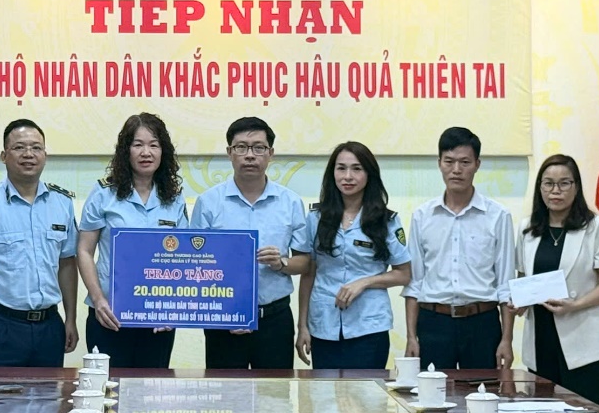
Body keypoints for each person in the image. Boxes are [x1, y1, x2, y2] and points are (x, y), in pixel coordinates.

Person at [0, 119, 80, 367]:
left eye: (36, 148)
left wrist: (70, 319)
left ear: (45, 155)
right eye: (19, 147)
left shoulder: (62, 203)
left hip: (49, 326)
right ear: (4, 156)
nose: (28, 154)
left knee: (49, 393)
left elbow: (67, 264)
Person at [192, 116, 311, 369]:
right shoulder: (208, 202)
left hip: (274, 319)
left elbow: (305, 262)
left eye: (258, 148)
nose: (249, 155)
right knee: (224, 393)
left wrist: (281, 263)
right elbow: (194, 264)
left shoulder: (290, 202)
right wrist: (225, 312)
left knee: (275, 392)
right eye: (241, 147)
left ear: (270, 154)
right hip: (222, 318)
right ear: (229, 153)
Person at [76, 113, 188, 367]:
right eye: (138, 144)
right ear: (125, 150)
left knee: (152, 389)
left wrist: (173, 308)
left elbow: (183, 259)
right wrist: (98, 299)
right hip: (109, 315)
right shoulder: (104, 194)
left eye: (154, 145)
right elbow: (84, 251)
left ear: (163, 151)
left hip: (158, 318)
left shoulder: (174, 198)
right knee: (108, 388)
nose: (146, 152)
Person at [511, 153, 599, 405]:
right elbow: (523, 279)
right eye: (548, 183)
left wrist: (575, 305)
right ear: (540, 188)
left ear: (576, 187)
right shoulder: (527, 228)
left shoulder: (594, 226)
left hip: (581, 338)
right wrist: (518, 302)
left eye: (564, 183)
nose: (555, 191)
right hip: (540, 337)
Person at [403, 127, 515, 371]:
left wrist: (507, 340)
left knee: (482, 391)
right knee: (431, 393)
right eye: (449, 161)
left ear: (477, 164)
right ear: (439, 163)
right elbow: (414, 282)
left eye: (465, 162)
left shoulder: (498, 216)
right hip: (433, 323)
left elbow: (506, 284)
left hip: (482, 323)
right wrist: (411, 337)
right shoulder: (422, 216)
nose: (456, 169)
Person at [297, 142, 412, 370]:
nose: (348, 176)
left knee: (366, 392)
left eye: (357, 169)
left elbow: (404, 274)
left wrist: (365, 282)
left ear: (369, 174)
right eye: (341, 168)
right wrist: (302, 326)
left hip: (369, 326)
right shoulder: (317, 217)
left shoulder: (386, 220)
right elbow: (308, 273)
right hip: (324, 324)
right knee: (324, 392)